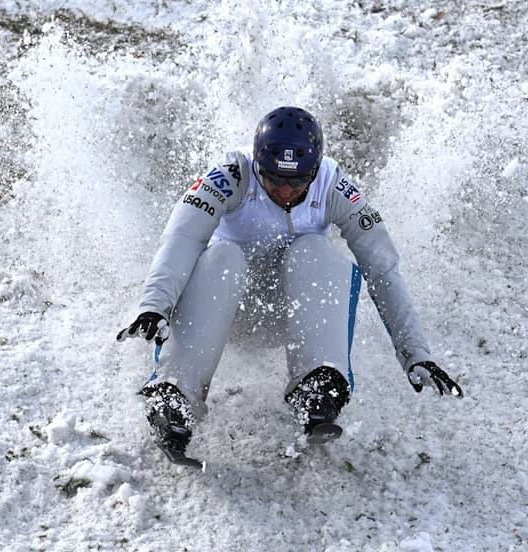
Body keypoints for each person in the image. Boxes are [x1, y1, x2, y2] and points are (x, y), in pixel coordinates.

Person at [117, 106, 462, 459]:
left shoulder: (336, 187)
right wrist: (153, 305)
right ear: (257, 165)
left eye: (297, 182)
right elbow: (181, 239)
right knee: (223, 255)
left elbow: (383, 269)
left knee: (314, 247)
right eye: (273, 179)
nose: (284, 191)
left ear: (314, 170)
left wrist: (415, 354)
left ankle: (318, 386)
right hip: (220, 316)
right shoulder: (232, 175)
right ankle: (175, 396)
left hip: (293, 320)